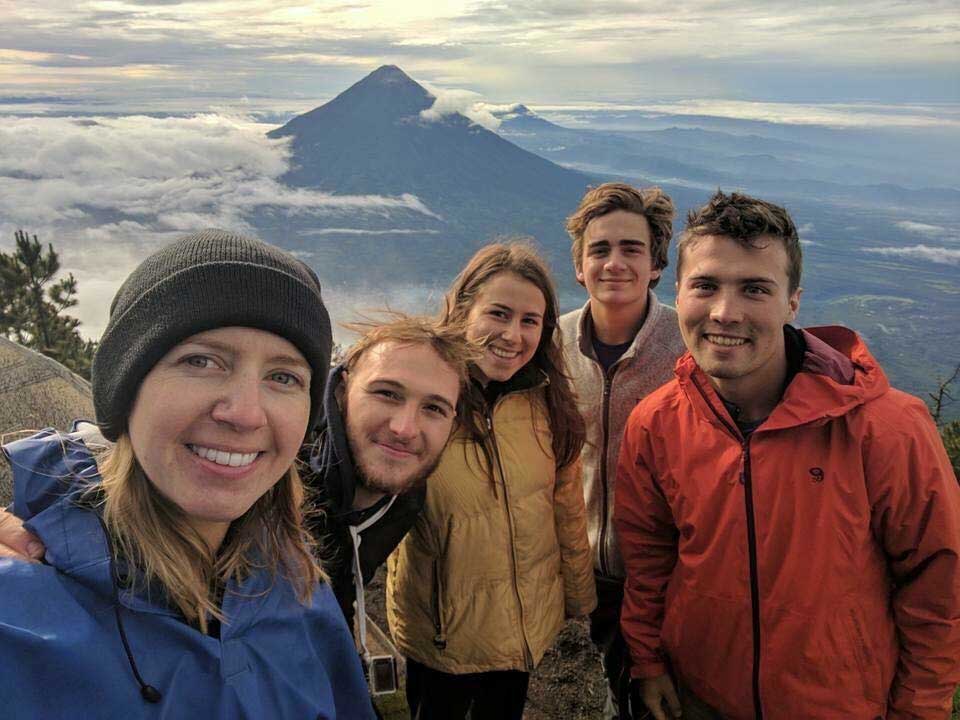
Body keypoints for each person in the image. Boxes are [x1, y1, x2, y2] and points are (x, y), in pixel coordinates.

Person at [0, 229, 374, 719]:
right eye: (201, 361)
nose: (245, 414)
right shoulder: (16, 615)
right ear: (125, 390)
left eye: (283, 377)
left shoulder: (301, 587)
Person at [614, 191, 960, 720]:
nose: (725, 313)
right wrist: (649, 660)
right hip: (699, 695)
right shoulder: (656, 423)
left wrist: (920, 709)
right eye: (705, 285)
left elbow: (938, 584)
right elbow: (649, 557)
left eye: (755, 289)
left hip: (840, 706)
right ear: (677, 293)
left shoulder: (887, 428)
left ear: (792, 302)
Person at [387, 242, 598, 720]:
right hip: (444, 632)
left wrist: (579, 598)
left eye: (530, 321)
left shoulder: (547, 402)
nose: (512, 335)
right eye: (498, 314)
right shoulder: (423, 399)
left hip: (522, 626)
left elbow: (565, 510)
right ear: (463, 310)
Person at [559, 182, 686, 719]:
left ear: (656, 265)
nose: (614, 263)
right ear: (579, 267)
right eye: (600, 249)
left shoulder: (688, 343)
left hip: (675, 572)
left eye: (631, 248)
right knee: (623, 690)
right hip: (596, 571)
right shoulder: (552, 343)